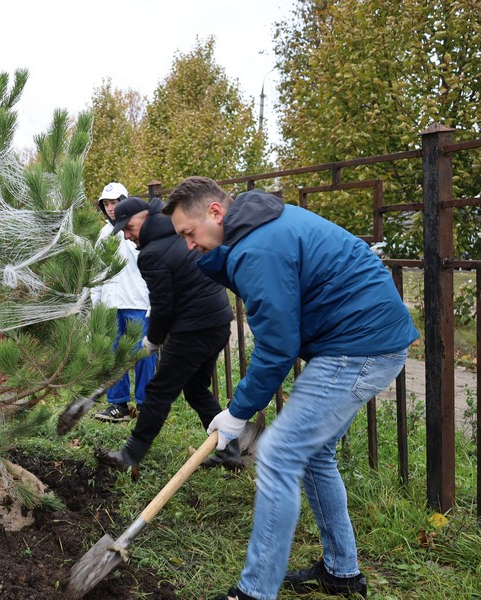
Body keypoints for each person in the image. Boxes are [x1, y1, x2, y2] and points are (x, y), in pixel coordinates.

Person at [163, 176, 418, 600]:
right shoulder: (259, 228)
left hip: (358, 346)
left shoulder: (259, 246)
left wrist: (238, 411)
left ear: (215, 212)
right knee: (314, 454)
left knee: (278, 453)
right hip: (362, 340)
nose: (188, 245)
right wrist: (212, 257)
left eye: (189, 234)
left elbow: (278, 346)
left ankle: (254, 592)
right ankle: (341, 572)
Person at [98, 196, 236, 471]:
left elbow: (163, 306)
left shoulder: (151, 254)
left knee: (158, 392)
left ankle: (131, 455)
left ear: (144, 216)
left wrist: (153, 339)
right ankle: (230, 452)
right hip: (219, 322)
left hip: (193, 328)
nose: (126, 235)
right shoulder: (177, 230)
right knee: (196, 389)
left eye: (128, 227)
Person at [90, 182, 157, 422]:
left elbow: (152, 267)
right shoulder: (103, 234)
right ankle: (118, 405)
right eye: (106, 204)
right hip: (110, 305)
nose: (110, 208)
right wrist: (95, 307)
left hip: (138, 303)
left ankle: (145, 405)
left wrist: (154, 303)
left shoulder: (141, 230)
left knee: (143, 355)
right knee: (113, 355)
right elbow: (97, 272)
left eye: (115, 203)